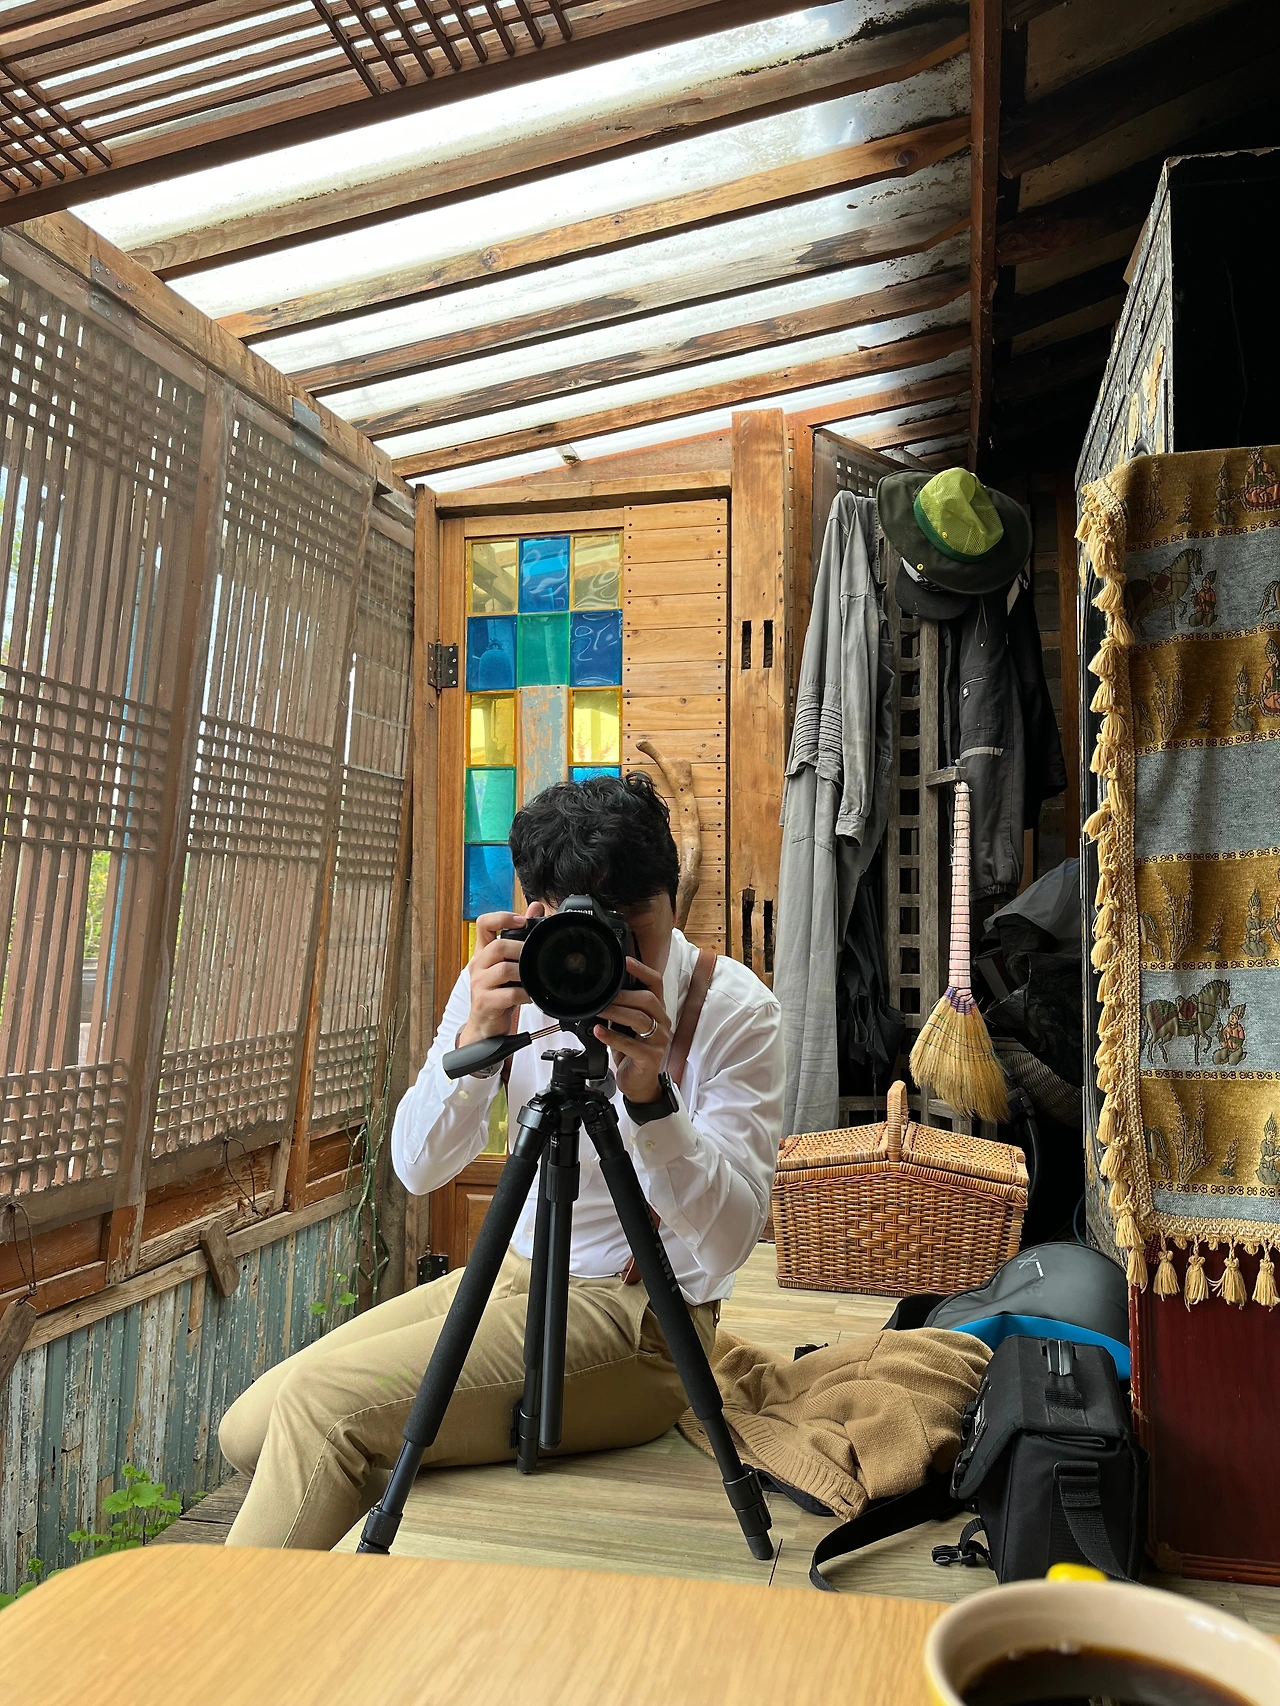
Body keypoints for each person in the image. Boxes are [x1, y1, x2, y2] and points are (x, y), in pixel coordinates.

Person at [218, 773, 783, 1549]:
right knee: (249, 1430)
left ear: (673, 906)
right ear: (537, 912)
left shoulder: (733, 1011)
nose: (606, 950)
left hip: (639, 1314)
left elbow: (729, 1246)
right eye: (580, 922)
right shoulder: (511, 978)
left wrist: (652, 1099)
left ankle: (233, 1624)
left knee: (322, 1410)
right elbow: (418, 1169)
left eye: (631, 923)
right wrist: (478, 1040)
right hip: (514, 1273)